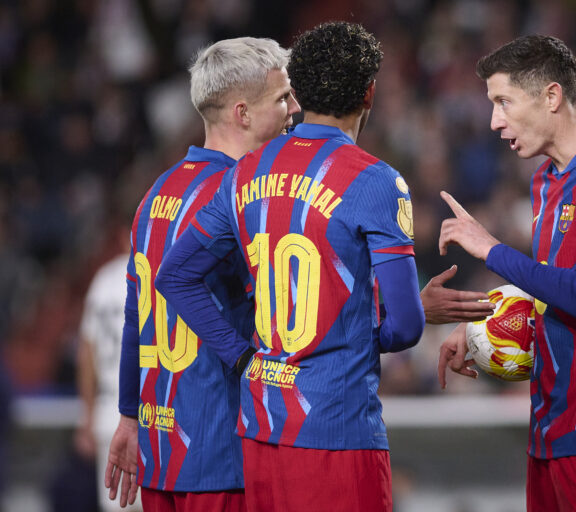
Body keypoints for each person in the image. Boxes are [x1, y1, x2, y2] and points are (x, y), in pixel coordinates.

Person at [156, 21, 425, 512]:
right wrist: (364, 325)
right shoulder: (376, 181)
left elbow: (174, 275)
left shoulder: (243, 172)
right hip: (337, 431)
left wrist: (242, 357)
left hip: (261, 430)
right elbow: (406, 327)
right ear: (368, 94)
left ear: (297, 93)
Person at [437, 35, 576, 512]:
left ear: (551, 96)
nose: (495, 121)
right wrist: (484, 323)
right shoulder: (547, 180)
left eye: (503, 102)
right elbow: (551, 290)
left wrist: (490, 248)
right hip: (551, 424)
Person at [104, 37, 300, 510]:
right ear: (242, 113)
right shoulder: (245, 196)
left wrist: (129, 417)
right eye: (282, 98)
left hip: (160, 447)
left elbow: (137, 315)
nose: (294, 109)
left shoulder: (157, 192)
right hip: (221, 449)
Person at [76, 237, 141, 512]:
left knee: (117, 507)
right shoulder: (155, 270)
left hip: (107, 412)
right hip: (150, 410)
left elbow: (87, 352)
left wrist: (87, 415)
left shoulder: (102, 280)